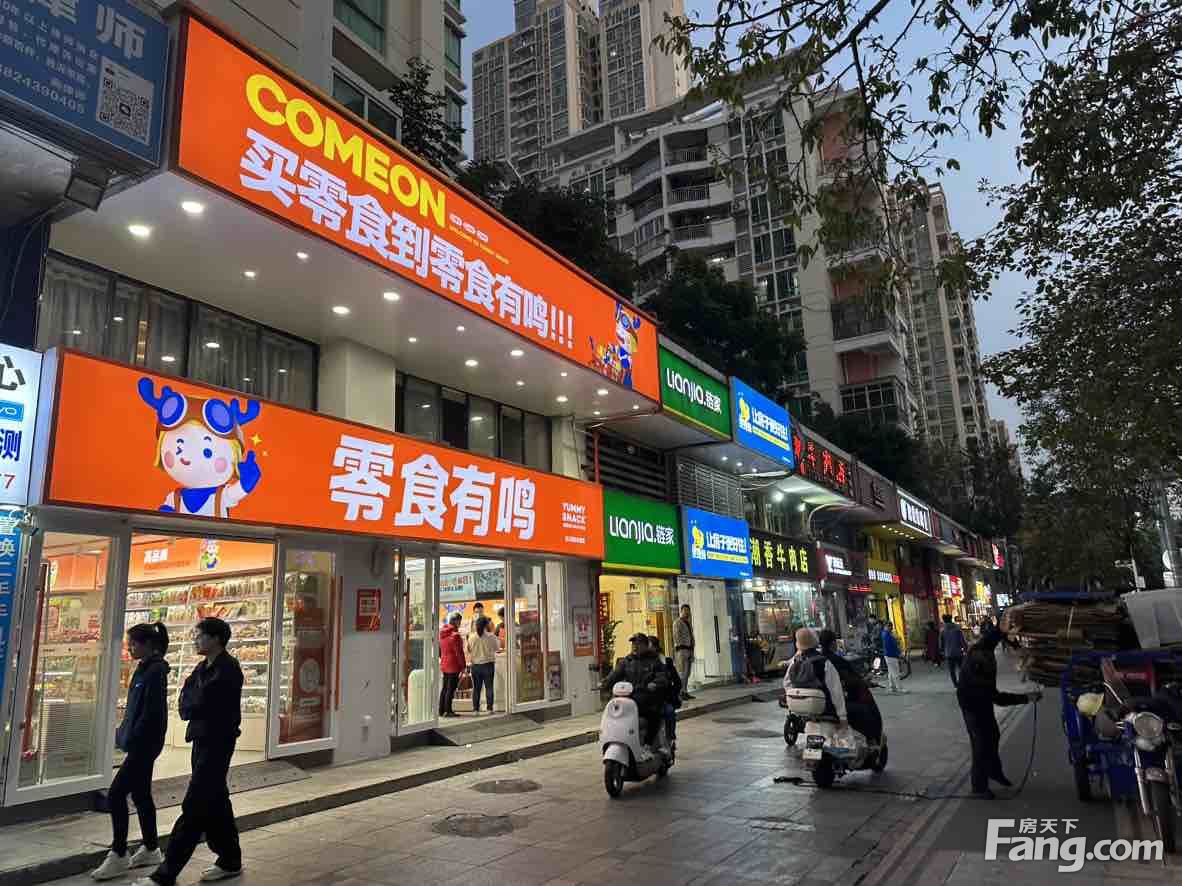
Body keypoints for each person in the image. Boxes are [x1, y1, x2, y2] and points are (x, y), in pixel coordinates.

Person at [135, 617, 242, 886]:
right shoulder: (202, 667)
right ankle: (230, 859)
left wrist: (195, 701)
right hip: (200, 740)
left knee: (194, 807)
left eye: (200, 635)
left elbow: (204, 701)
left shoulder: (228, 669)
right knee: (216, 801)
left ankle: (165, 874)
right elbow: (186, 700)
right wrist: (194, 701)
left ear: (215, 639)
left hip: (218, 743)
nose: (195, 639)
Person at [93, 623, 170, 881]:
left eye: (133, 643)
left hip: (144, 744)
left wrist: (134, 735)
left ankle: (119, 853)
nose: (129, 648)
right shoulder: (145, 668)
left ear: (148, 644)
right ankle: (151, 847)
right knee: (141, 794)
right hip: (139, 741)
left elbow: (151, 712)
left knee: (116, 794)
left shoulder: (156, 671)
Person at [957, 625, 1040, 799]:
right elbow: (995, 697)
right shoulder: (981, 658)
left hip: (981, 701)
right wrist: (1026, 698)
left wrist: (1019, 649)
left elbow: (990, 694)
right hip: (972, 705)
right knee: (981, 744)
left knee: (993, 736)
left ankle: (994, 772)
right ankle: (979, 787)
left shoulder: (984, 651)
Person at [601, 633, 668, 746]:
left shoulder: (654, 660)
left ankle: (648, 744)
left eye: (638, 644)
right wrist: (604, 684)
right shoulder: (627, 661)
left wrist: (655, 683)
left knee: (654, 716)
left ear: (646, 646)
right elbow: (615, 675)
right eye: (633, 643)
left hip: (648, 699)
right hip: (630, 699)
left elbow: (662, 676)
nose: (635, 646)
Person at [817, 629, 882, 743]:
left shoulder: (811, 661)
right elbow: (847, 682)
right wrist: (863, 682)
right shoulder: (833, 661)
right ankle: (872, 740)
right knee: (867, 713)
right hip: (836, 704)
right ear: (832, 643)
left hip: (820, 706)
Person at [785, 628, 848, 728]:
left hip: (801, 712)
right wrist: (842, 717)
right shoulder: (824, 662)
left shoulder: (795, 662)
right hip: (825, 712)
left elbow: (787, 683)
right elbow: (836, 691)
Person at [649, 635, 682, 744]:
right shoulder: (643, 662)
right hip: (648, 699)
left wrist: (671, 695)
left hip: (664, 699)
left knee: (669, 711)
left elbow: (677, 682)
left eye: (649, 645)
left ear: (655, 647)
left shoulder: (666, 662)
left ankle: (670, 738)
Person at [466, 616, 498, 714]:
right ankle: (489, 709)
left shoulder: (471, 637)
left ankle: (476, 709)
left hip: (475, 666)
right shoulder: (491, 636)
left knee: (476, 688)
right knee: (489, 687)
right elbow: (496, 648)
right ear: (486, 625)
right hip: (488, 665)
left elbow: (468, 650)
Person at [439, 611, 465, 718]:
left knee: (445, 688)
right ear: (456, 621)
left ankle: (441, 710)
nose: (460, 623)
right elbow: (459, 653)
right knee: (451, 688)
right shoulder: (455, 635)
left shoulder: (442, 634)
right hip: (454, 665)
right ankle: (448, 710)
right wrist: (463, 666)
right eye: (459, 621)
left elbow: (439, 650)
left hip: (445, 664)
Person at [673, 604, 695, 700]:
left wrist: (692, 648)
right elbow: (676, 636)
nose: (687, 612)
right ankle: (680, 692)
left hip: (689, 649)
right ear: (681, 611)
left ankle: (685, 691)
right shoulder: (677, 622)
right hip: (682, 650)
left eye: (688, 610)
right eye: (685, 610)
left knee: (687, 673)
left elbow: (691, 636)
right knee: (682, 672)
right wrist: (682, 647)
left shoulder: (688, 622)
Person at [941, 614, 968, 688]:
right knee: (961, 668)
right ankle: (962, 681)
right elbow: (962, 641)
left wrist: (942, 651)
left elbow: (941, 643)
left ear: (944, 621)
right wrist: (966, 649)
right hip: (958, 652)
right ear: (951, 619)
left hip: (949, 653)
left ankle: (955, 684)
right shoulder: (957, 629)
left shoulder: (943, 631)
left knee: (952, 670)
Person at [880, 622, 906, 694]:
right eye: (890, 627)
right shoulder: (887, 635)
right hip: (891, 655)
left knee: (891, 672)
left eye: (891, 627)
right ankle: (899, 688)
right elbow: (891, 647)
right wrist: (898, 654)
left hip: (888, 655)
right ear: (886, 626)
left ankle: (892, 687)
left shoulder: (885, 634)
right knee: (895, 672)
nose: (891, 628)